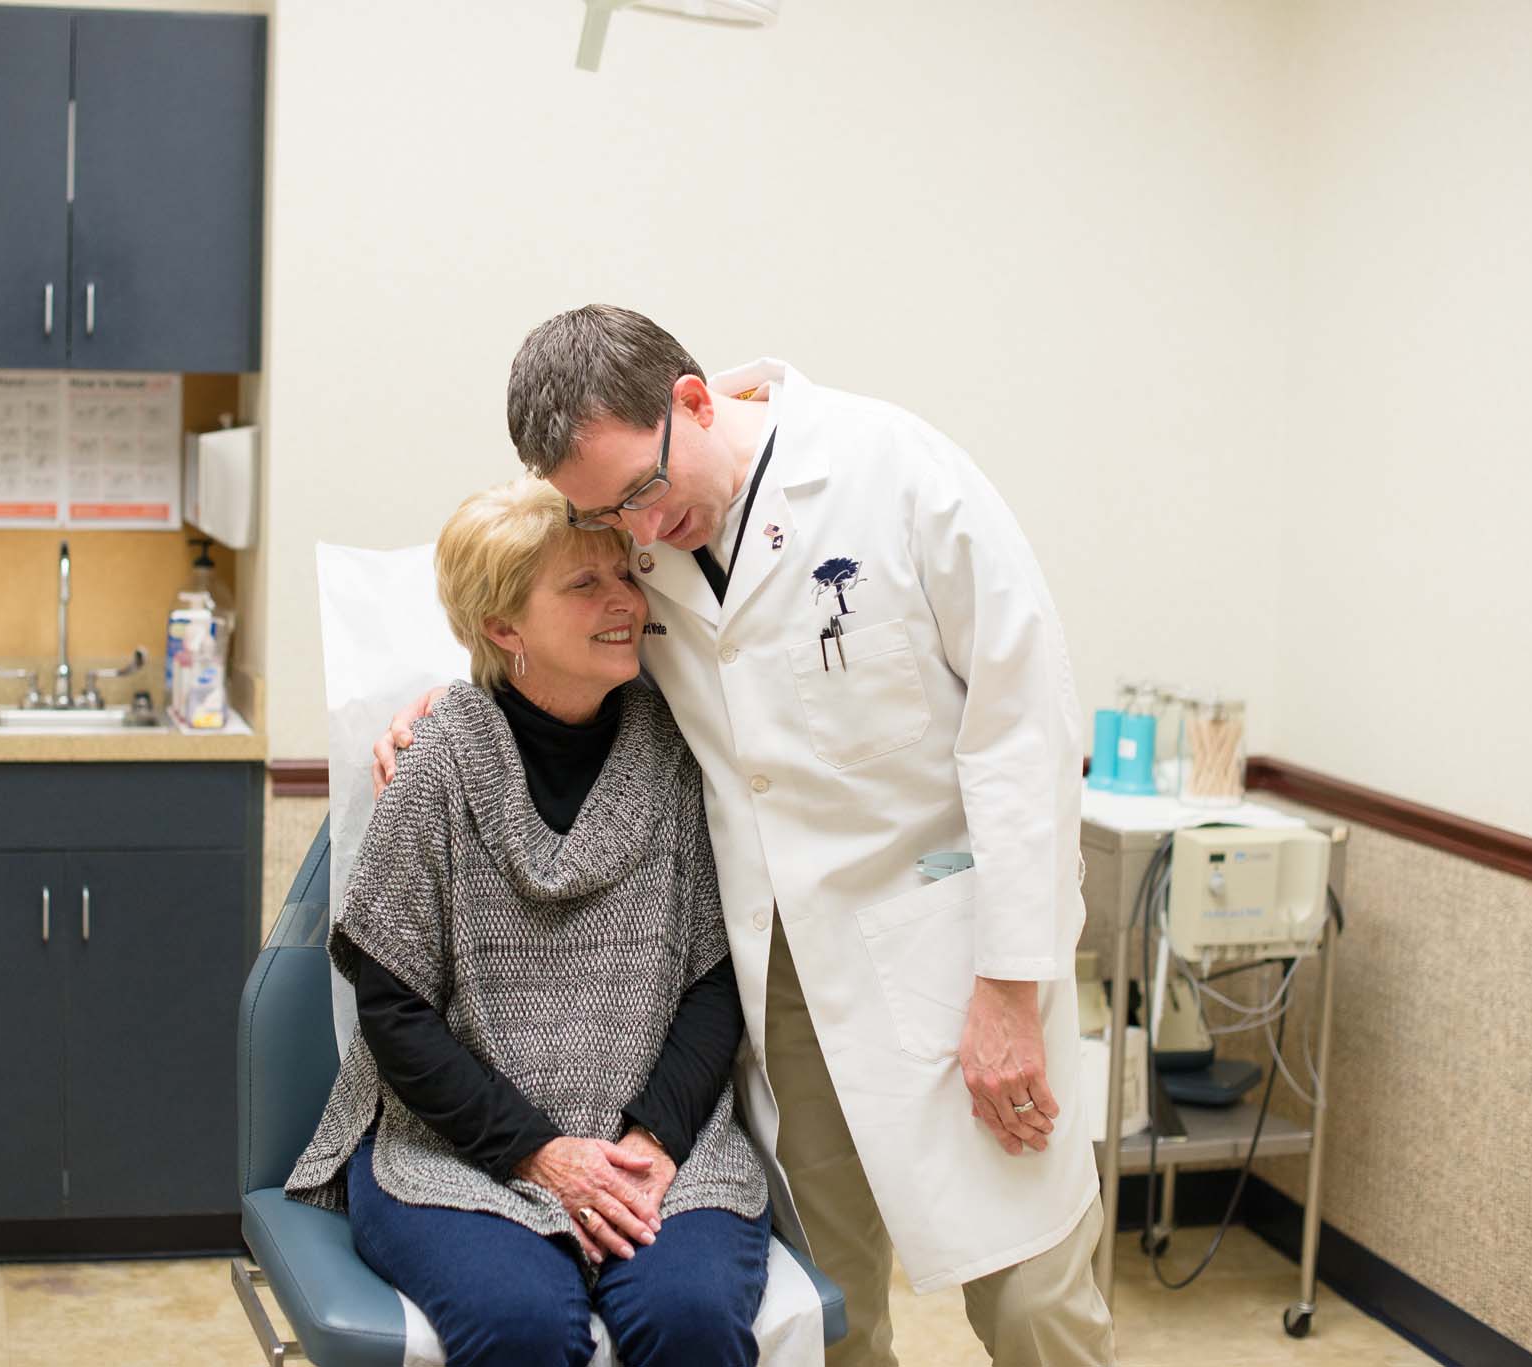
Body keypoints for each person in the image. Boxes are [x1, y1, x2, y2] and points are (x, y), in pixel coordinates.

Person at [375, 306, 1116, 1367]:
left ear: (692, 398)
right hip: (783, 981)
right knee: (829, 1309)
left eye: (639, 492)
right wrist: (443, 705)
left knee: (1034, 1298)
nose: (633, 532)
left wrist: (1008, 984)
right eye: (605, 515)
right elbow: (533, 612)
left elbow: (1025, 732)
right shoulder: (642, 522)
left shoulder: (893, 473)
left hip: (957, 959)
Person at [287, 477, 781, 1367]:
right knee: (519, 1324)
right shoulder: (438, 762)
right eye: (583, 586)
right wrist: (542, 1154)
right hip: (456, 1150)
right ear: (504, 629)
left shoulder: (674, 754)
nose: (626, 600)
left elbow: (716, 977)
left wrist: (652, 1141)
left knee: (692, 1315)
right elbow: (392, 1009)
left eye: (623, 576)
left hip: (658, 1142)